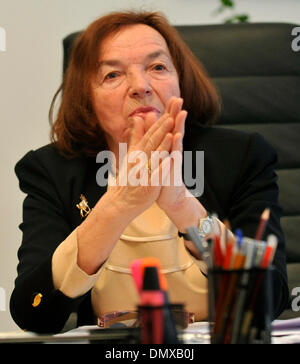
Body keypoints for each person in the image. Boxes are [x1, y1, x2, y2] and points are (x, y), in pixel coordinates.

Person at [10, 10, 289, 334]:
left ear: (179, 79)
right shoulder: (52, 170)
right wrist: (116, 207)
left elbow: (268, 299)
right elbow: (34, 312)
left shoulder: (242, 157)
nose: (140, 86)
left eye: (157, 67)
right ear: (86, 96)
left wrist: (184, 208)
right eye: (113, 75)